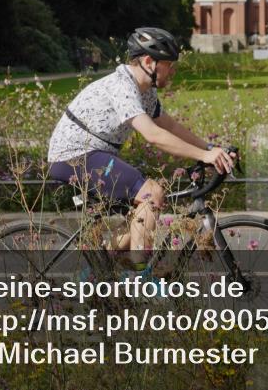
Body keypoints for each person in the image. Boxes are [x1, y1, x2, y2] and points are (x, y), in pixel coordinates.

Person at [47, 27, 235, 265]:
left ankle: (99, 269)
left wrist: (209, 148)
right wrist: (205, 156)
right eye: (169, 64)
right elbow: (154, 135)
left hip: (94, 155)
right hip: (74, 155)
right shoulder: (122, 86)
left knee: (141, 213)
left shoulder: (146, 91)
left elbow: (170, 126)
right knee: (151, 193)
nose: (174, 70)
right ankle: (140, 282)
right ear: (149, 61)